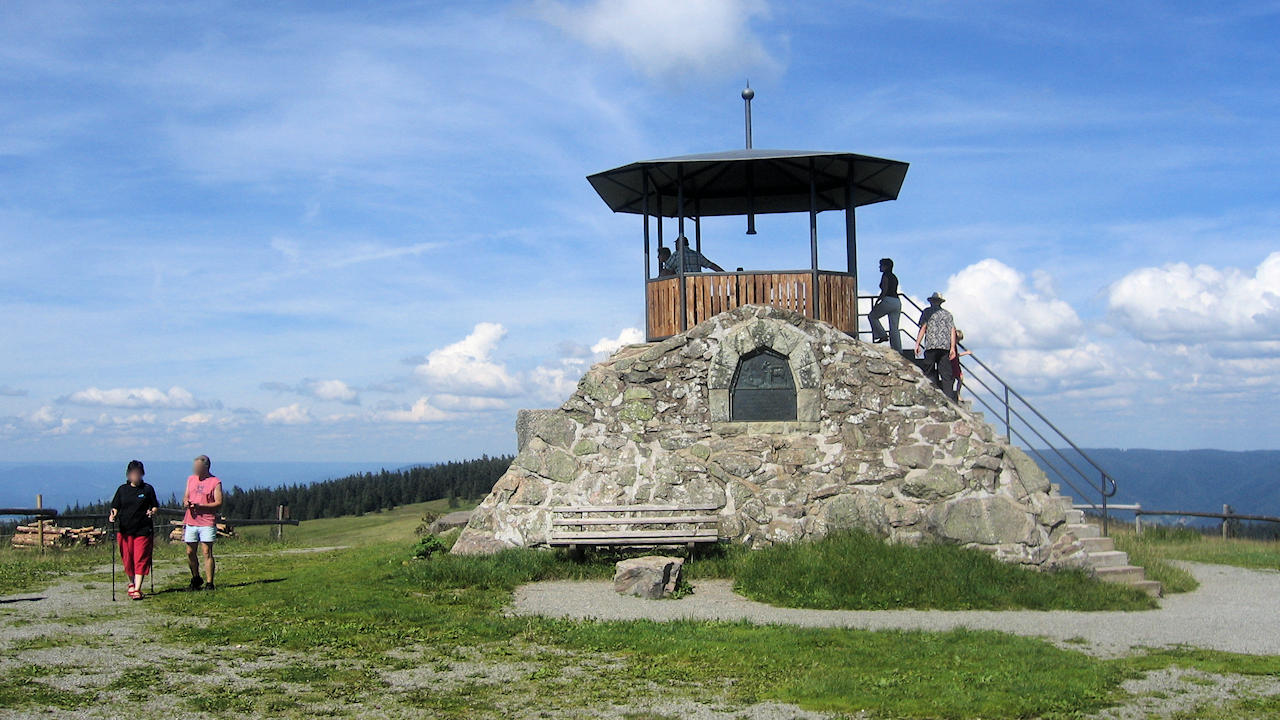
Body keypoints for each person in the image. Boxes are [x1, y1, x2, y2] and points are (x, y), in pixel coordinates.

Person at [108, 460, 159, 600]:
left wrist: (152, 512)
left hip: (143, 529)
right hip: (125, 530)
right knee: (128, 559)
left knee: (140, 558)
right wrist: (113, 515)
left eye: (138, 473)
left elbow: (155, 505)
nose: (135, 476)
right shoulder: (122, 489)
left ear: (142, 474)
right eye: (133, 473)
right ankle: (131, 583)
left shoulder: (148, 489)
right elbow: (115, 506)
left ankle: (137, 589)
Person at [182, 454, 223, 591]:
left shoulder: (215, 482)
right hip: (191, 520)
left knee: (206, 551)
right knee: (190, 551)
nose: (195, 469)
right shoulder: (191, 479)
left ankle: (210, 582)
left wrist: (201, 506)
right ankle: (195, 577)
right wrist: (187, 502)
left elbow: (218, 502)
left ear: (205, 467)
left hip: (206, 521)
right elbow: (186, 496)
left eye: (198, 467)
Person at [914, 292, 958, 401]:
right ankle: (949, 399)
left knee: (929, 371)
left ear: (931, 301)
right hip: (945, 347)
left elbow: (923, 327)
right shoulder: (948, 314)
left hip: (931, 345)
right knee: (946, 374)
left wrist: (917, 343)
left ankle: (932, 396)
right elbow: (953, 331)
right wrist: (952, 347)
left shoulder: (927, 312)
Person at [867, 258, 902, 351]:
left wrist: (878, 301)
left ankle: (882, 335)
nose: (879, 267)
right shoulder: (894, 276)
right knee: (894, 328)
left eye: (881, 265)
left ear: (885, 266)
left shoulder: (885, 275)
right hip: (897, 301)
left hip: (888, 300)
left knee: (872, 316)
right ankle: (898, 349)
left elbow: (885, 290)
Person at [951, 329, 973, 399]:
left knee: (960, 378)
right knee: (956, 378)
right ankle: (956, 394)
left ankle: (957, 393)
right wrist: (966, 353)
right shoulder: (952, 345)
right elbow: (955, 355)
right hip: (953, 363)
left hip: (955, 363)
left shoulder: (954, 345)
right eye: (958, 340)